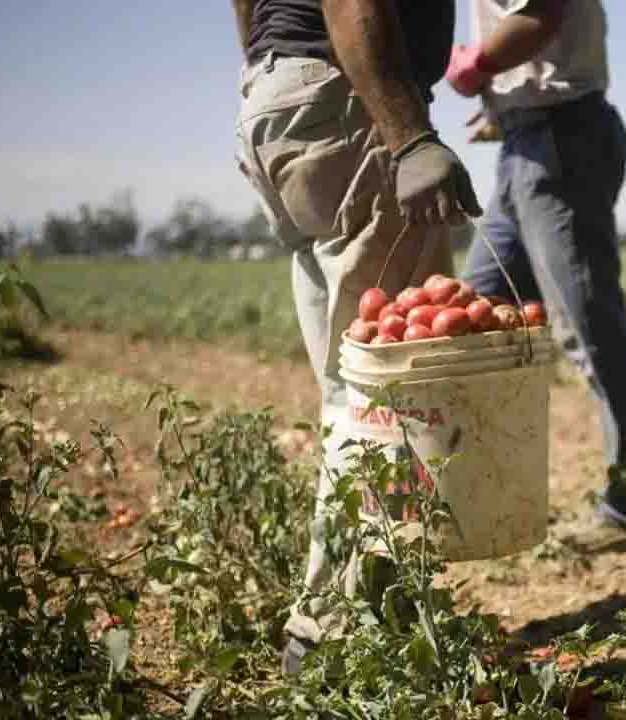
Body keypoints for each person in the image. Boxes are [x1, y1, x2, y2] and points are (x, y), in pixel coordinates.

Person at [229, 0, 482, 675]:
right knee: (388, 394)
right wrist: (410, 137)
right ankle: (331, 639)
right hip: (346, 97)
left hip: (278, 101)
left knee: (351, 392)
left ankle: (372, 612)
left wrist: (271, 71)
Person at [444, 0, 626, 540]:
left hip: (561, 137)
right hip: (527, 140)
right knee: (476, 312)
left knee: (588, 327)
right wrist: (504, 102)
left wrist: (476, 66)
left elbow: (540, 13)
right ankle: (477, 495)